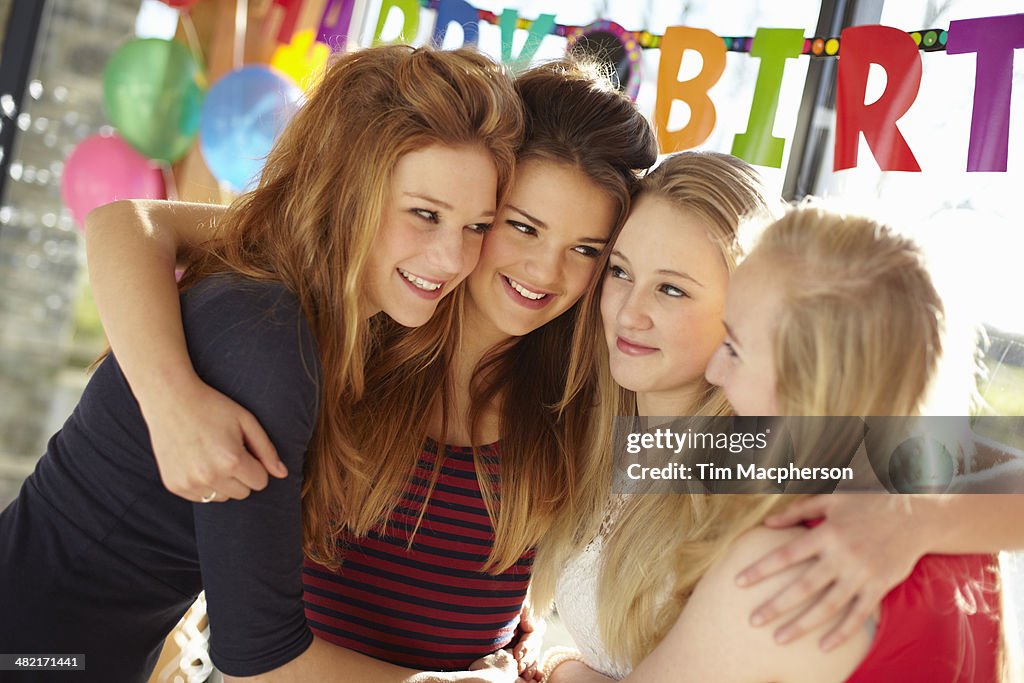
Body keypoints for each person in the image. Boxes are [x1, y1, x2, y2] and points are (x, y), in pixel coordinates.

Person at [81, 58, 658, 681]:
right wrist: (171, 398)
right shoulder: (349, 322)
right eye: (521, 227)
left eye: (586, 250)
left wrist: (782, 528)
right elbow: (130, 222)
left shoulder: (580, 398)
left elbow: (756, 455)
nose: (546, 272)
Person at [0, 44, 523, 683]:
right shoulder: (269, 336)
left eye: (477, 226)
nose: (450, 259)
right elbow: (261, 659)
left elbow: (132, 222)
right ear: (346, 191)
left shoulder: (294, 273)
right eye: (424, 214)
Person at [540, 195, 1008, 681]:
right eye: (619, 271)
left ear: (812, 379)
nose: (716, 370)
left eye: (735, 348)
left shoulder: (777, 575)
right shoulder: (965, 533)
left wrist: (557, 669)